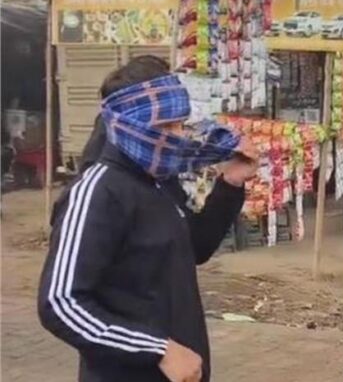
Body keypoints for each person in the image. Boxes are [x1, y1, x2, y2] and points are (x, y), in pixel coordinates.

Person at [37, 57, 258, 382]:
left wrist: (230, 184)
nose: (176, 137)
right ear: (129, 125)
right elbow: (60, 303)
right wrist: (158, 350)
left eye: (180, 125)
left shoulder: (160, 181)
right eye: (164, 127)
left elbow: (195, 247)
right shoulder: (97, 192)